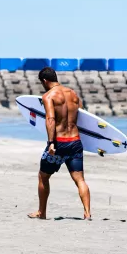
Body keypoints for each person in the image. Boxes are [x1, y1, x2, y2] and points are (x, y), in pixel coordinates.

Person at [27, 67, 91, 220]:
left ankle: (42, 212)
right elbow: (83, 115)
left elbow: (50, 119)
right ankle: (87, 213)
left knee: (43, 176)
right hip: (75, 142)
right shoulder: (73, 94)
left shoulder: (49, 96)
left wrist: (50, 143)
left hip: (59, 143)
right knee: (80, 179)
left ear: (44, 81)